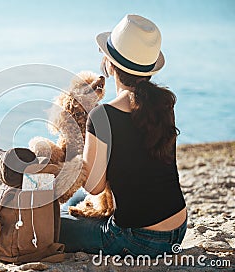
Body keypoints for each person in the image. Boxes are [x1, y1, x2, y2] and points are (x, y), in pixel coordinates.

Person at [59, 14, 187, 257]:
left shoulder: (102, 116)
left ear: (110, 64)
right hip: (177, 229)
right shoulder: (164, 105)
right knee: (75, 201)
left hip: (137, 239)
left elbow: (94, 188)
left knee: (55, 223)